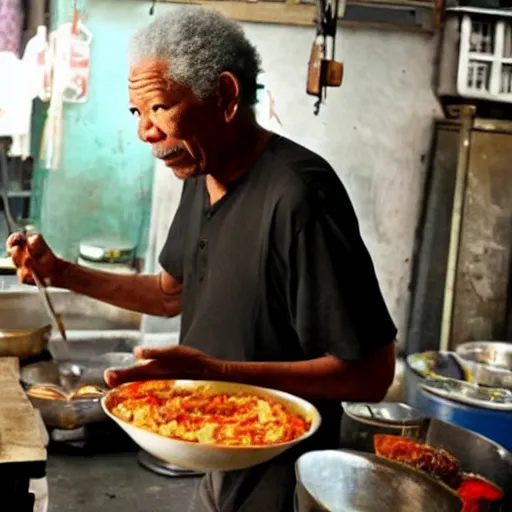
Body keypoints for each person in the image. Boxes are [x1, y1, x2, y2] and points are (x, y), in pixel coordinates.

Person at [8, 8, 397, 512]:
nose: (145, 130)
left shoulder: (300, 195)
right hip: (217, 452)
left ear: (226, 97)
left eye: (160, 107)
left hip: (285, 472)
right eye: (136, 112)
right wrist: (59, 272)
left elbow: (371, 373)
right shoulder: (200, 173)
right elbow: (171, 294)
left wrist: (220, 371)